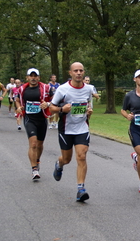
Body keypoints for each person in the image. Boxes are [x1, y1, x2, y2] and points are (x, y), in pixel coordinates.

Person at [50, 62, 94, 202]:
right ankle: (59, 164)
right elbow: (52, 107)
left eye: (81, 70)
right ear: (70, 73)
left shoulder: (88, 89)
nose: (79, 73)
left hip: (82, 128)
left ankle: (81, 189)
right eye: (76, 70)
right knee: (67, 159)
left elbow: (88, 107)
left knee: (81, 156)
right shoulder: (63, 89)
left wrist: (89, 112)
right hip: (66, 129)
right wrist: (62, 110)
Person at [15, 68, 52, 180]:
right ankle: (34, 169)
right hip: (29, 119)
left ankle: (37, 160)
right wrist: (18, 107)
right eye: (31, 76)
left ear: (38, 78)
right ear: (27, 78)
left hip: (41, 119)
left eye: (35, 76)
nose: (33, 78)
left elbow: (55, 98)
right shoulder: (22, 89)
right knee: (33, 144)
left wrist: (48, 103)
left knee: (40, 145)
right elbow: (16, 99)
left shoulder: (46, 88)